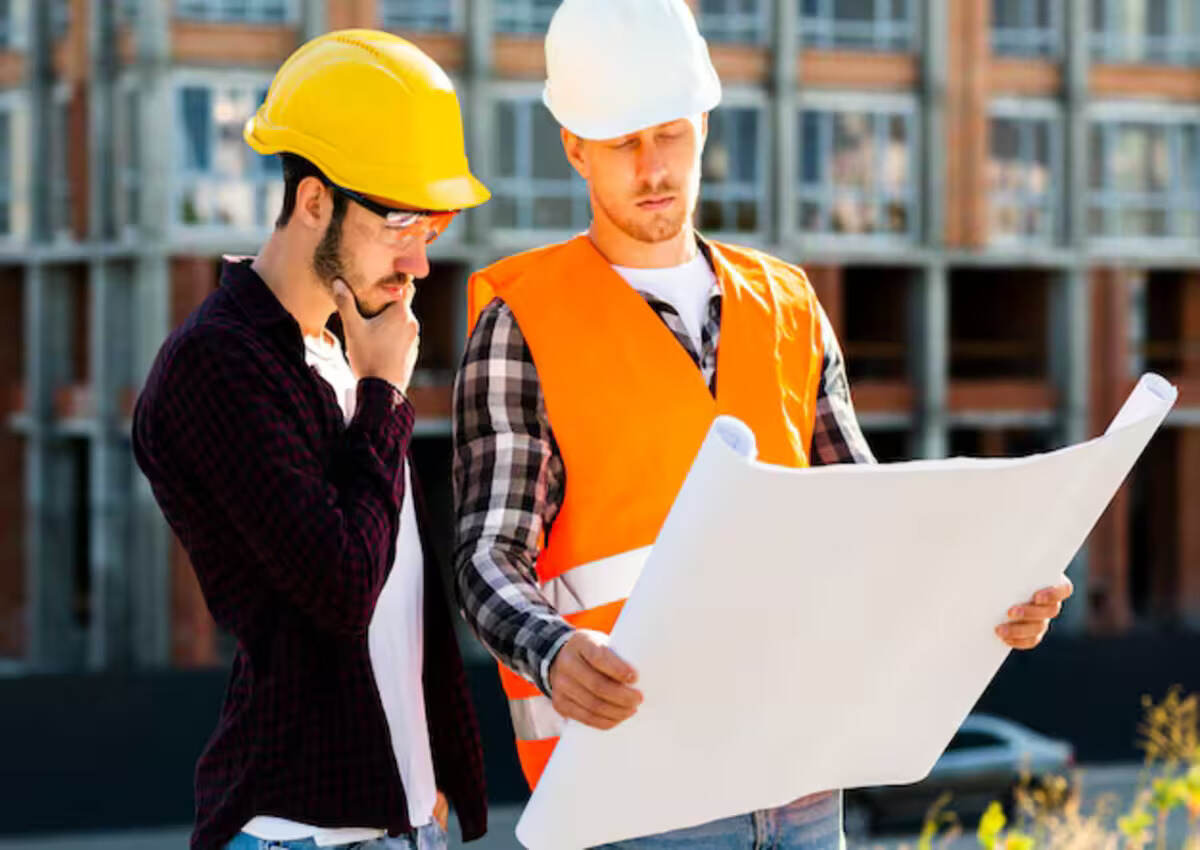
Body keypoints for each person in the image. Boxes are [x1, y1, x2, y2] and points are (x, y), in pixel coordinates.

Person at [450, 1, 1074, 847]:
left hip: (804, 781)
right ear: (574, 147)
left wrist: (986, 597)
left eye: (669, 134)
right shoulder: (525, 324)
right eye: (622, 142)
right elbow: (488, 553)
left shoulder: (787, 305)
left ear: (703, 122)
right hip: (638, 796)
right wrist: (553, 652)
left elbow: (874, 527)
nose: (652, 166)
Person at [132, 30, 490, 850]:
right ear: (315, 200)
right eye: (401, 220)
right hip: (300, 832)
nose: (421, 264)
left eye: (429, 227)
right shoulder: (216, 366)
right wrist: (385, 396)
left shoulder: (341, 348)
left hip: (402, 824)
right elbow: (341, 588)